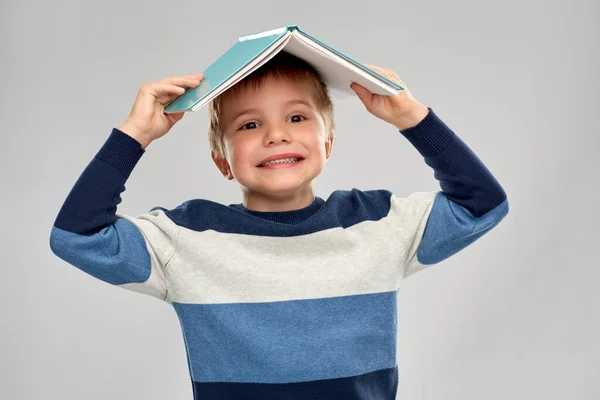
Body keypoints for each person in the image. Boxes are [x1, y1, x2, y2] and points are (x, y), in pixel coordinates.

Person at [49, 51, 509, 399]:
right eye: (249, 125)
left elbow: (481, 205)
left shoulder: (378, 223)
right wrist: (136, 135)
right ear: (221, 160)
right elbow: (78, 237)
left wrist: (413, 119)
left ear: (327, 143)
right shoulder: (186, 239)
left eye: (296, 117)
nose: (276, 134)